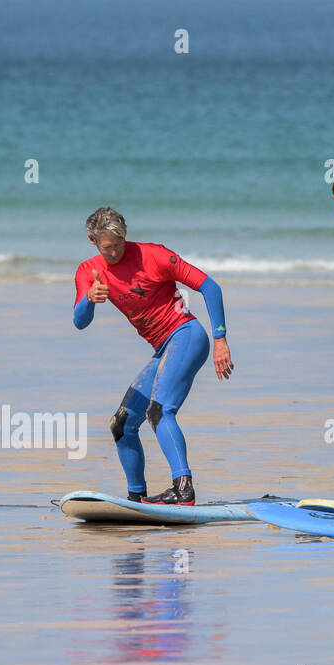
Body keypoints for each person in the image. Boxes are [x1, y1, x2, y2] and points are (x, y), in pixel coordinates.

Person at [72, 207, 233, 505]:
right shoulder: (89, 272)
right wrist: (89, 300)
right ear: (92, 241)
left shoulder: (154, 256)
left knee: (159, 411)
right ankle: (136, 498)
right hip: (163, 348)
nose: (116, 252)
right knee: (121, 424)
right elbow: (80, 321)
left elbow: (210, 287)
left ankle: (183, 487)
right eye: (108, 247)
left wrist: (220, 338)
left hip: (186, 336)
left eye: (120, 244)